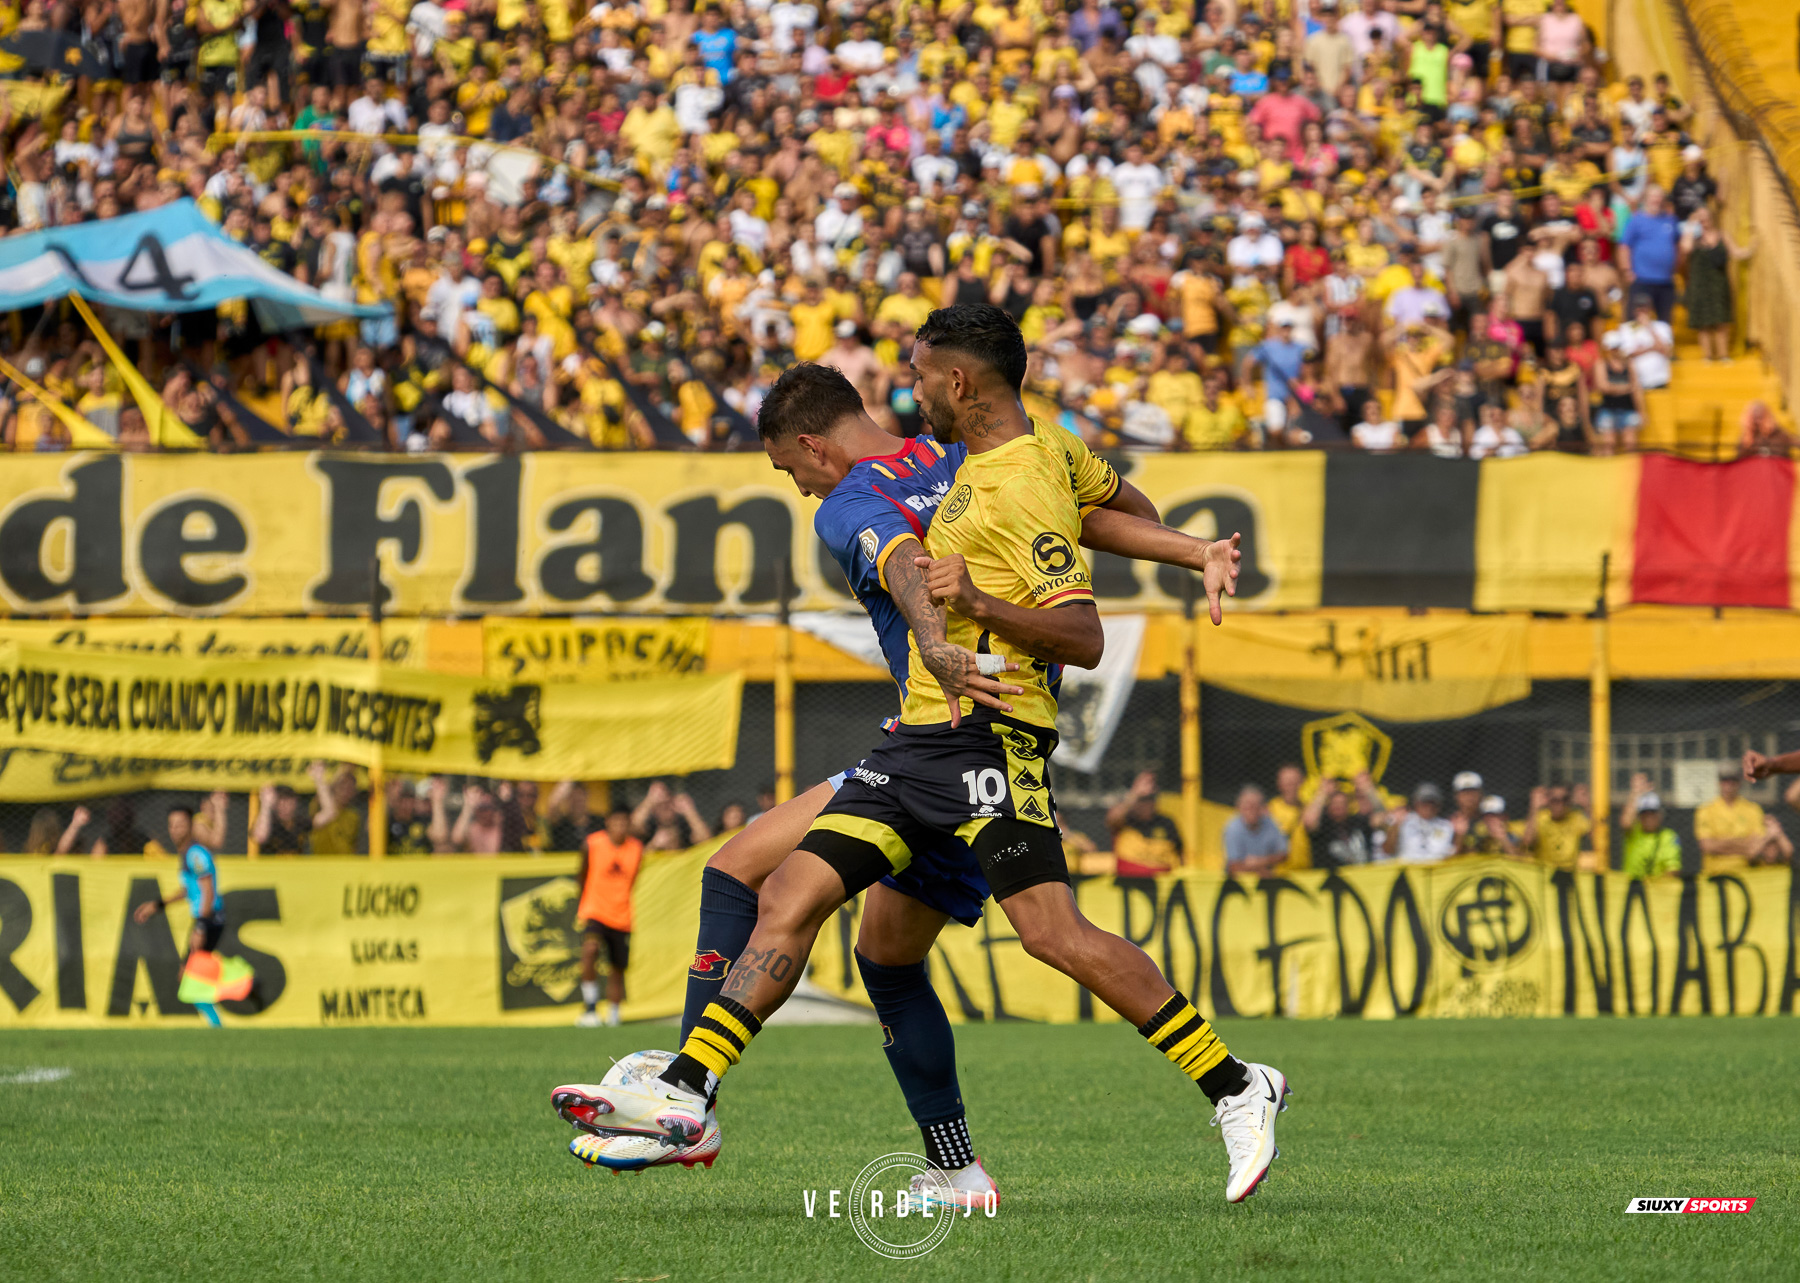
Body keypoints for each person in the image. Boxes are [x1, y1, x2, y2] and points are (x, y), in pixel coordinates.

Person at [566, 308, 1286, 1205]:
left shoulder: (883, 494)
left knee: (1047, 933)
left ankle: (1233, 1083)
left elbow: (929, 569)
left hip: (988, 735)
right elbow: (1109, 510)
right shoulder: (970, 454)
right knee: (813, 903)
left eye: (787, 470)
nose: (796, 488)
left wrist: (953, 625)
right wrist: (1189, 549)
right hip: (915, 742)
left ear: (811, 447)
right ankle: (697, 1091)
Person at [132, 798, 229, 1027]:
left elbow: (207, 891)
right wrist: (158, 905)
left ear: (191, 826)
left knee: (189, 976)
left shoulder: (195, 853)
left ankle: (218, 1025)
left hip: (209, 920)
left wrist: (200, 927)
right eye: (172, 825)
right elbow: (190, 889)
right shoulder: (186, 853)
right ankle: (215, 1023)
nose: (175, 830)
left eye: (181, 824)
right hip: (207, 919)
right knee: (191, 976)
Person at [574, 806, 645, 1027]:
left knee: (617, 967)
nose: (620, 827)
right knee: (590, 950)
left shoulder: (636, 848)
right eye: (616, 822)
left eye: (625, 822)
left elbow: (632, 879)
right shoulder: (592, 843)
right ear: (608, 822)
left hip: (622, 916)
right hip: (595, 911)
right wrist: (585, 900)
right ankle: (590, 1008)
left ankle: (614, 1013)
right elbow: (581, 874)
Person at [1693, 766, 1791, 873]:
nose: (1729, 785)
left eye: (1733, 780)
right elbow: (1707, 846)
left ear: (1739, 782)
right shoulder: (1705, 810)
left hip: (1747, 872)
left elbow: (1756, 847)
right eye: (1725, 780)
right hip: (1715, 873)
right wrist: (1744, 844)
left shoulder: (1753, 809)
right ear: (1719, 783)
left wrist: (1721, 843)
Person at [1107, 770, 1185, 876]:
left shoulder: (1167, 822)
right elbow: (1112, 819)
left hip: (1162, 884)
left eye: (1151, 799)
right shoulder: (1126, 821)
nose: (1147, 804)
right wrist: (1135, 793)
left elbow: (1181, 854)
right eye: (1142, 800)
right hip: (1130, 883)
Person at [1299, 775, 1385, 868]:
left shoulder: (1358, 822)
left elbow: (1382, 819)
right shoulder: (1323, 826)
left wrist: (1368, 790)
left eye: (1342, 803)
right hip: (1332, 879)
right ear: (1328, 807)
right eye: (1335, 803)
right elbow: (1308, 822)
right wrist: (1322, 793)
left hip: (1362, 877)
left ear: (1348, 806)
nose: (1338, 807)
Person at [1520, 784, 1591, 870]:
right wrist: (1534, 807)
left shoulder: (1576, 818)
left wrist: (1587, 806)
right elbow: (1527, 842)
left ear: (1570, 801)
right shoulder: (1540, 818)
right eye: (1555, 800)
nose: (1560, 804)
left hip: (1569, 871)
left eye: (1565, 799)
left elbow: (1596, 838)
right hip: (1544, 870)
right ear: (1548, 801)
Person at [1223, 785, 1288, 876]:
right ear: (1239, 807)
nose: (1251, 810)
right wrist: (1260, 868)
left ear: (1262, 808)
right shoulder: (1232, 828)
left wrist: (1260, 861)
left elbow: (1283, 854)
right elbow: (1233, 866)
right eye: (1247, 805)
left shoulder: (1270, 823)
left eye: (1255, 805)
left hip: (1265, 876)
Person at [1619, 783, 1680, 880]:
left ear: (1660, 815)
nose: (1649, 818)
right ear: (1639, 817)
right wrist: (1636, 794)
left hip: (1657, 890)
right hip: (1633, 887)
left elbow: (1673, 868)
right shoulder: (1634, 833)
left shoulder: (1669, 836)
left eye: (1652, 814)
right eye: (1645, 814)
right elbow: (1626, 823)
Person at [1387, 783, 1456, 862]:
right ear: (1416, 804)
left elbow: (1453, 854)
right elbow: (1388, 850)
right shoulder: (1403, 821)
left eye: (1432, 802)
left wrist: (1459, 836)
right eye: (1424, 802)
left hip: (1437, 871)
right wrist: (1395, 827)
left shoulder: (1447, 826)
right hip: (1408, 871)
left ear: (1439, 806)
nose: (1428, 807)